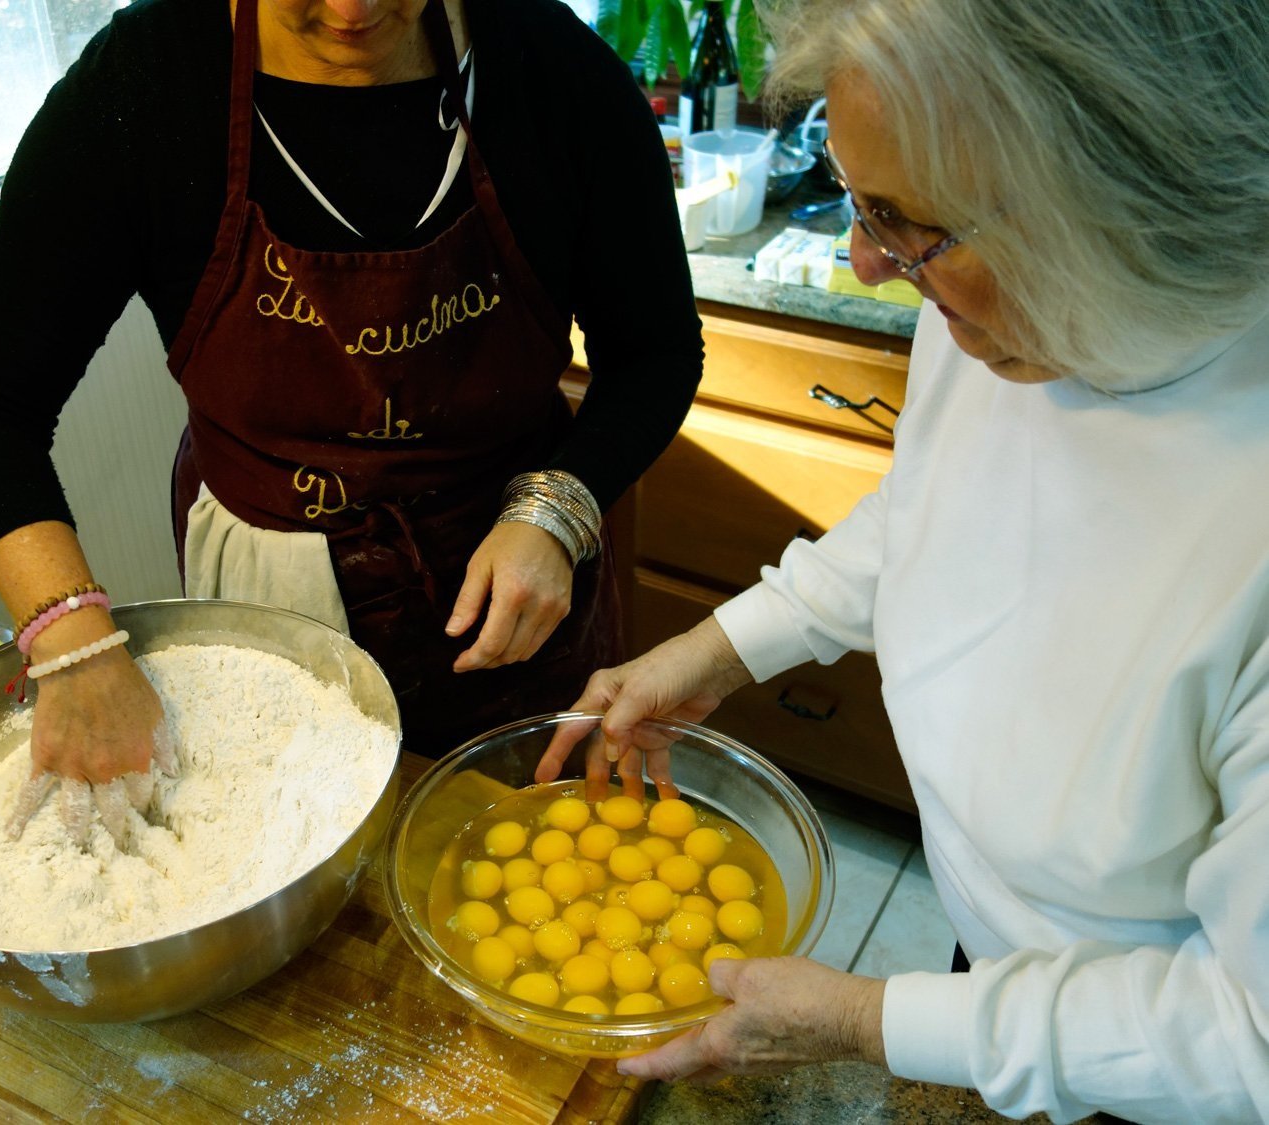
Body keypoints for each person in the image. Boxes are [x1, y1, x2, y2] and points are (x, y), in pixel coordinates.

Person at [537, 0, 1269, 1120]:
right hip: (993, 970)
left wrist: (867, 1022)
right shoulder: (1003, 299)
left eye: (900, 221)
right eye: (859, 199)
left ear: (1114, 206)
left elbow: (1247, 1034)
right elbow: (933, 508)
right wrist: (723, 648)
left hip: (1154, 1066)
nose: (864, 261)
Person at [0, 0, 704, 839]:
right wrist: (70, 643)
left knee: (526, 865)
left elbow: (655, 352)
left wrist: (558, 510)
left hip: (517, 604)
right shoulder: (145, 87)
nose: (350, 9)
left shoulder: (553, 75)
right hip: (271, 605)